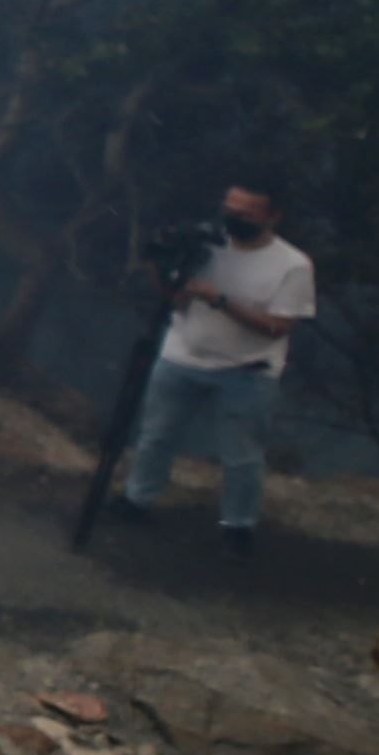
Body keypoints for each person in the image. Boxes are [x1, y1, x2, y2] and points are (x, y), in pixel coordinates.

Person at [116, 184, 313, 553]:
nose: (234, 218)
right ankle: (136, 500)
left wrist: (221, 301)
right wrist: (159, 264)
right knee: (157, 436)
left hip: (247, 370)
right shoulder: (204, 245)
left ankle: (237, 527)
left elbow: (279, 326)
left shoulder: (293, 265)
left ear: (272, 217)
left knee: (241, 455)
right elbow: (174, 300)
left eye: (246, 213)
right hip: (181, 356)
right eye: (230, 208)